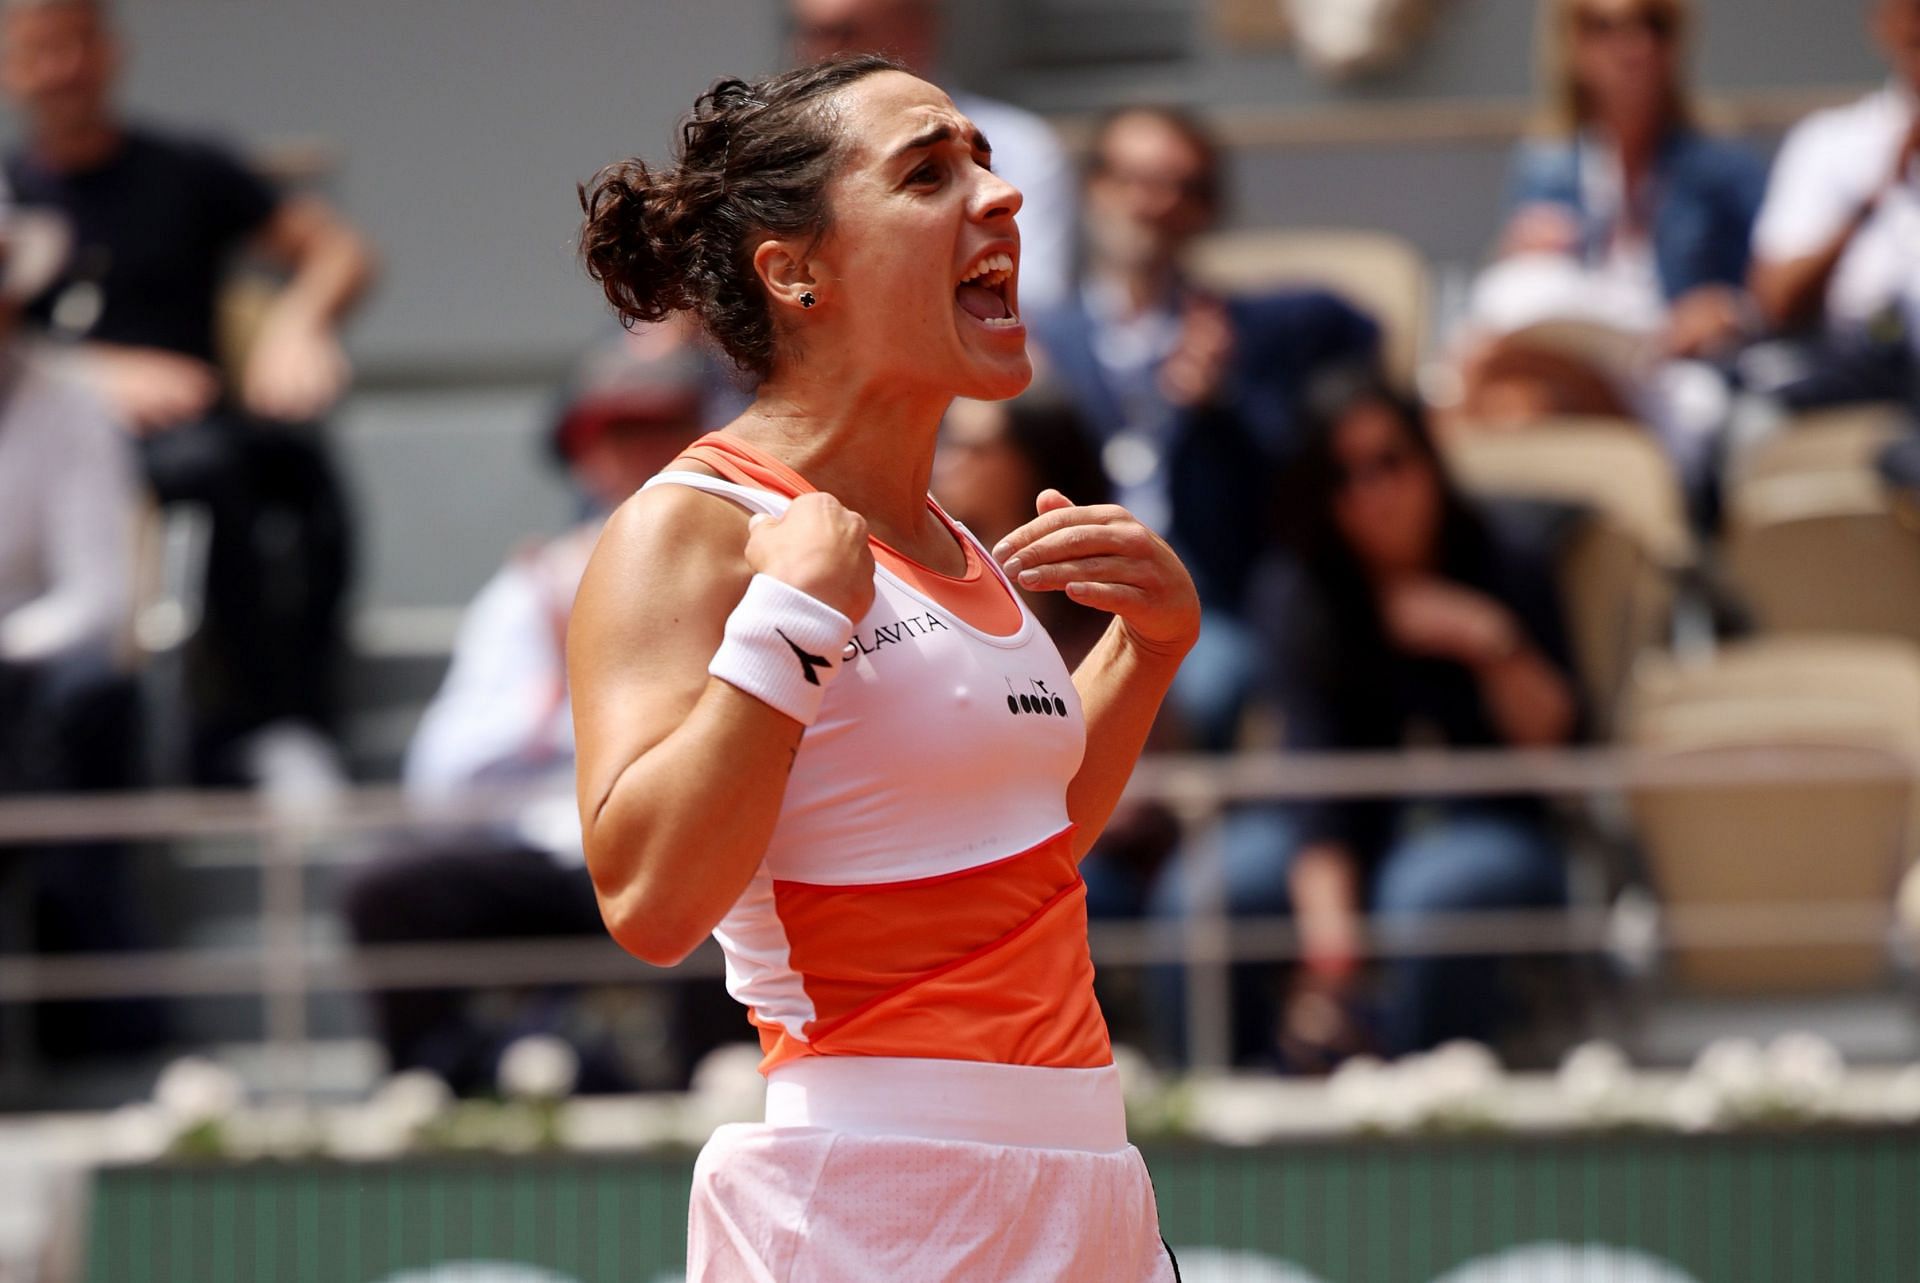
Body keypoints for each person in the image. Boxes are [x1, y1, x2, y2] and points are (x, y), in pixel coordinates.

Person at [571, 54, 1195, 1280]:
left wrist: (1147, 648)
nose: (1000, 197)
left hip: (1089, 1185)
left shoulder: (951, 537)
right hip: (872, 1199)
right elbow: (648, 898)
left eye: (987, 159)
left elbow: (1019, 846)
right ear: (795, 268)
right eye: (928, 171)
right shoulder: (690, 526)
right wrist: (791, 619)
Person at [1147, 374, 1578, 1069]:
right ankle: (1229, 1116)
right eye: (1344, 476)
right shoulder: (1301, 593)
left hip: (1491, 821)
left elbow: (1556, 754)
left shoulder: (1509, 561)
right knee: (1198, 898)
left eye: (1391, 462)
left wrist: (1488, 640)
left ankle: (1421, 1122)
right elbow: (1319, 799)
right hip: (1335, 830)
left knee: (1431, 897)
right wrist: (1333, 965)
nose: (1374, 493)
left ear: (1429, 459)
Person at [343, 324, 729, 1095]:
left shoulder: (759, 555)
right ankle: (435, 1093)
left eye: (663, 426)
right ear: (586, 455)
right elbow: (442, 781)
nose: (641, 452)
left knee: (736, 884)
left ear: (704, 433)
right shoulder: (537, 585)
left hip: (689, 848)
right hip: (552, 854)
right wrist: (558, 707)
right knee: (387, 887)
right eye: (619, 433)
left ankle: (723, 1087)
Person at [0, 0, 376, 788]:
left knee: (298, 470)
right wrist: (92, 375)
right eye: (38, 52)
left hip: (203, 423)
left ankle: (292, 715)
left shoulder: (184, 169)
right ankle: (231, 723)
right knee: (205, 470)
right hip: (63, 445)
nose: (61, 71)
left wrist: (293, 324)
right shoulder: (9, 199)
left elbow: (336, 250)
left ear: (110, 52)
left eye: (76, 46)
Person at [1027, 104, 1379, 747]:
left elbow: (1296, 480)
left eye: (1180, 186)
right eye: (1132, 178)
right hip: (1062, 606)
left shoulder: (1243, 333)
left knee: (1198, 683)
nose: (1153, 203)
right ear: (1092, 188)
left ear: (1208, 208)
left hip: (1201, 604)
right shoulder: (1039, 341)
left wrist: (1224, 402)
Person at [1452, 0, 1766, 484]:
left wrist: (1731, 309)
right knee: (1500, 384)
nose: (1632, 48)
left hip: (1668, 371)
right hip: (1566, 359)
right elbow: (1518, 291)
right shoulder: (1545, 164)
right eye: (1605, 28)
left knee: (1500, 386)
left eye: (1653, 27)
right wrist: (1514, 251)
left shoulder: (1722, 167)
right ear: (1571, 46)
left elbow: (1771, 291)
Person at [0, 199, 164, 1063]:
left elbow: (98, 597)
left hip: (30, 690)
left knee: (87, 700)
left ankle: (99, 1003)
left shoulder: (71, 408)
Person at [789, 0, 1076, 311]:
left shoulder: (1021, 143)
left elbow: (1028, 303)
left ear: (916, 28)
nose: (1003, 195)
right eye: (926, 174)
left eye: (985, 165)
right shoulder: (772, 163)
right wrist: (809, 309)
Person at [1748, 0, 1920, 402]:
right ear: (1883, 21)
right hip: (1851, 379)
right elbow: (1775, 303)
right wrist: (1877, 196)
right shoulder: (1829, 143)